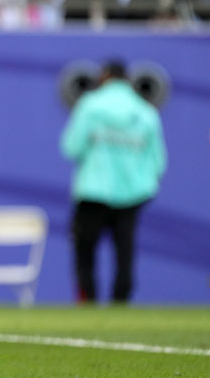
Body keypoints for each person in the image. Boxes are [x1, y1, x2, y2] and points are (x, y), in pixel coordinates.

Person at [60, 60, 166, 303]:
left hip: (93, 191)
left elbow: (71, 147)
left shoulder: (89, 105)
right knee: (125, 252)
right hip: (132, 193)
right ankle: (121, 302)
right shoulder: (146, 111)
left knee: (85, 250)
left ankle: (88, 301)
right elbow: (158, 161)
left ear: (104, 76)